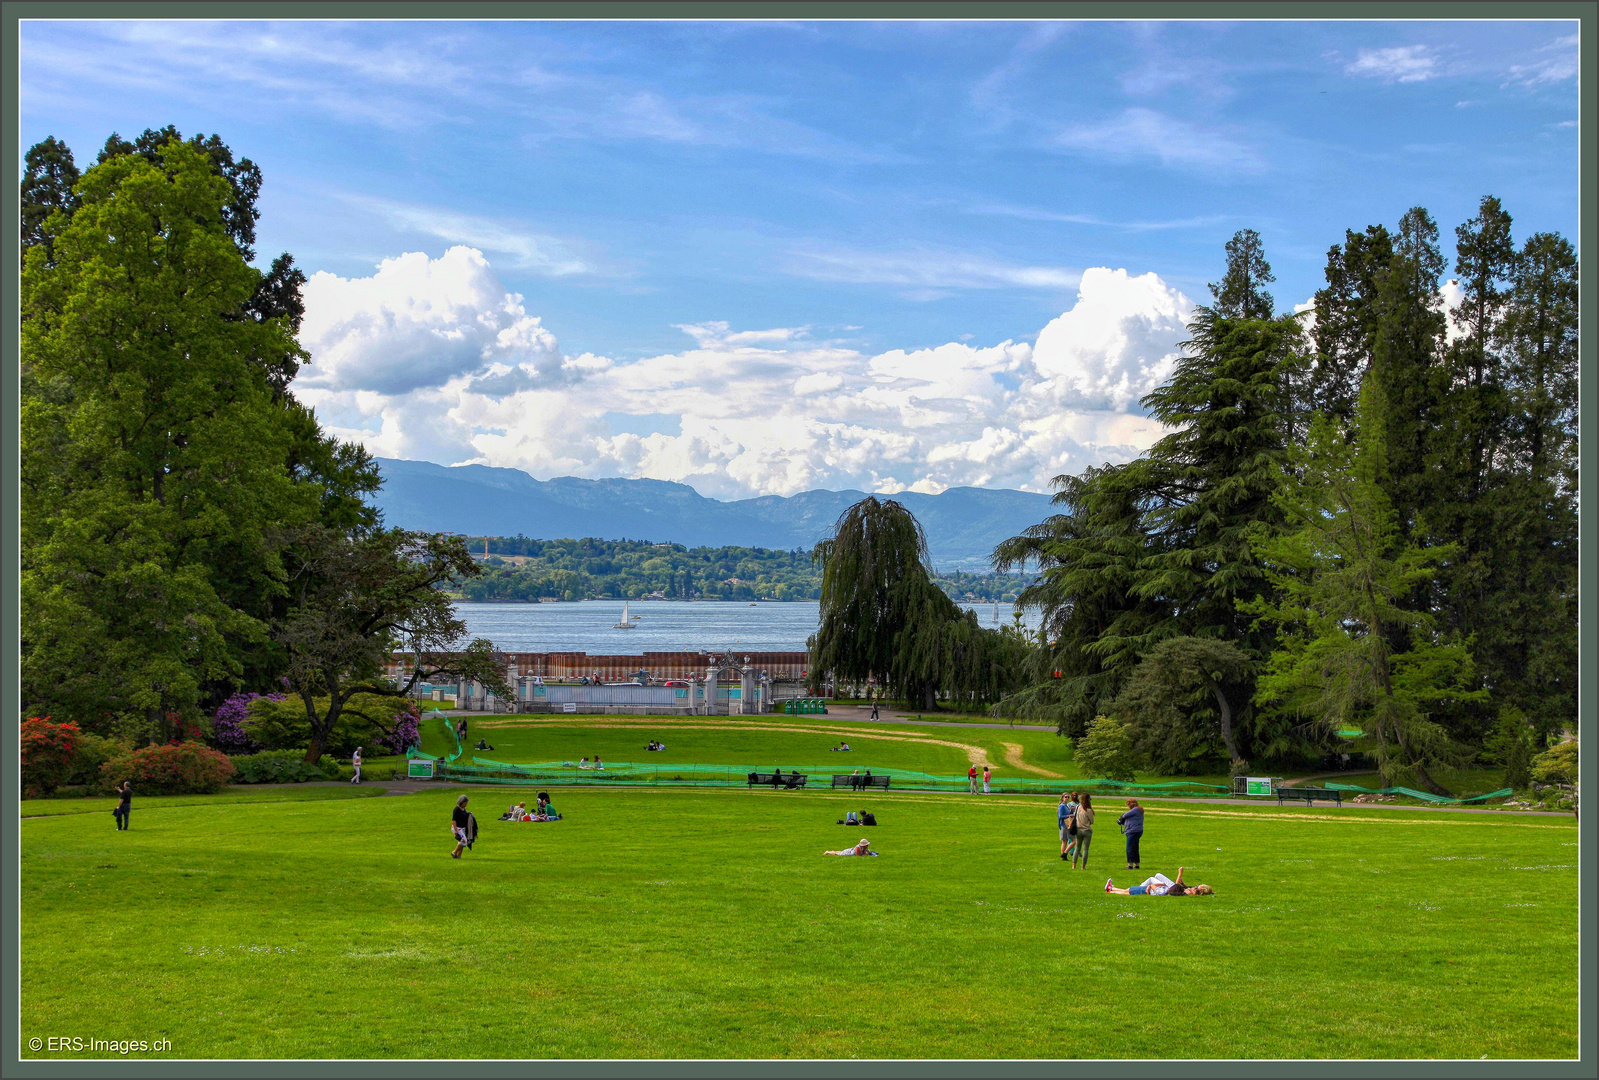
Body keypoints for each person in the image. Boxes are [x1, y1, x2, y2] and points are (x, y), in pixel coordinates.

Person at [1105, 867, 1211, 896]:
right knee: (1128, 890)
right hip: (1159, 889)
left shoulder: (1185, 893)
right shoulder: (1187, 891)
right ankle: (1111, 888)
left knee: (1128, 892)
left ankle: (1111, 890)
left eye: (1196, 888)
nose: (1194, 887)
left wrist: (1180, 874)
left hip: (1156, 890)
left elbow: (1176, 886)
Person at [1118, 799, 1145, 870]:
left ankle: (1130, 865)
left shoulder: (1135, 809)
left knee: (1129, 848)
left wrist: (1121, 819)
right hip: (1137, 831)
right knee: (1135, 848)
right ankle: (1137, 864)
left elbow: (1125, 815)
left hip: (1132, 831)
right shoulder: (1139, 809)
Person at [1072, 793, 1095, 869]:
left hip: (1078, 830)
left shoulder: (1078, 807)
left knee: (1077, 848)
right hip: (1087, 830)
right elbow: (1092, 821)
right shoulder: (1088, 810)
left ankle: (1074, 865)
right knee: (1085, 849)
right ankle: (1083, 866)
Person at [1058, 792, 1076, 861]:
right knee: (1073, 841)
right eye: (1065, 797)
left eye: (1068, 797)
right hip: (1064, 825)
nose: (1067, 798)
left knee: (1065, 841)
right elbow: (1060, 816)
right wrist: (1069, 815)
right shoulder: (1062, 806)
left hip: (1067, 825)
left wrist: (1071, 811)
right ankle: (1064, 854)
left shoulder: (1066, 805)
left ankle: (1063, 856)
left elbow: (1068, 814)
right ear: (1062, 798)